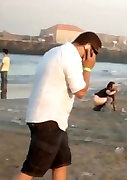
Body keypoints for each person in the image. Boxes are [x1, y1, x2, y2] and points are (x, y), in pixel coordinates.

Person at [16, 32, 102, 180]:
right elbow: (80, 91)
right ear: (88, 47)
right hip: (49, 121)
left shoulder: (54, 52)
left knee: (60, 164)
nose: (93, 57)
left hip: (50, 120)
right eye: (94, 53)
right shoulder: (71, 56)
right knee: (30, 171)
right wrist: (88, 69)